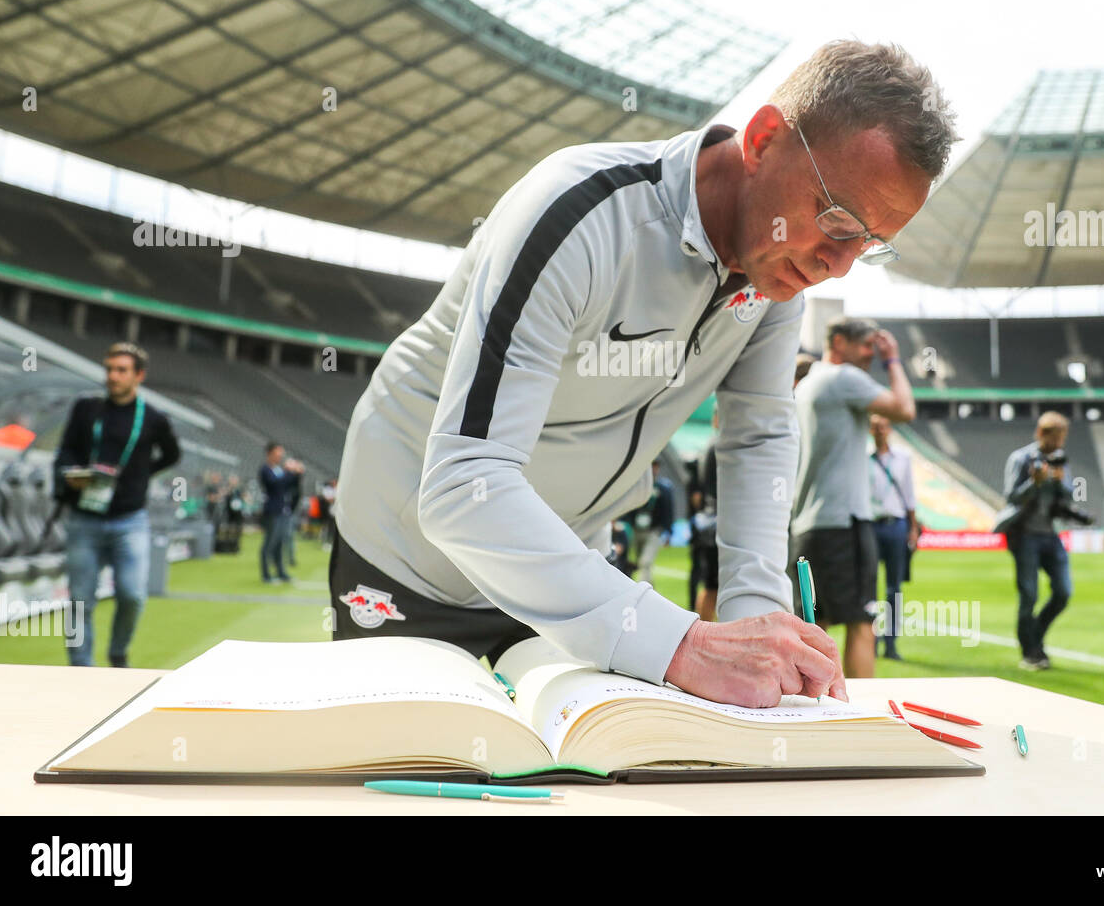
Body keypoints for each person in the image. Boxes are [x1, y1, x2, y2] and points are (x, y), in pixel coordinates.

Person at [331, 40, 955, 707]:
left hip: (572, 568)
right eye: (836, 220)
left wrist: (759, 628)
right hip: (408, 556)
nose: (839, 265)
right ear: (764, 138)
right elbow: (463, 485)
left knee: (595, 776)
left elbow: (758, 440)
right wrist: (685, 644)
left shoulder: (776, 282)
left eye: (870, 243)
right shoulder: (577, 214)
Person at [788, 318, 916, 680]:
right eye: (866, 347)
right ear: (840, 342)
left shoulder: (808, 383)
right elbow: (904, 409)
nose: (870, 357)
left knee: (816, 624)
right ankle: (860, 715)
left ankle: (815, 713)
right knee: (861, 622)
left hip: (807, 526)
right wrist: (893, 361)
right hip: (844, 522)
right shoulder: (843, 378)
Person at [53, 342, 180, 667]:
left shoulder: (153, 418)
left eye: (121, 370)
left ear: (139, 375)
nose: (113, 376)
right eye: (109, 369)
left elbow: (172, 454)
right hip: (84, 518)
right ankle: (81, 667)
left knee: (132, 594)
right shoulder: (86, 408)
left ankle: (118, 651)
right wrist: (71, 474)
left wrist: (140, 474)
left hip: (130, 519)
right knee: (80, 600)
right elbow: (65, 451)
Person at [999, 412, 1085, 670]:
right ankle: (1030, 652)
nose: (1059, 443)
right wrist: (1033, 484)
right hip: (1024, 535)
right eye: (1055, 437)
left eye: (1062, 438)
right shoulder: (1021, 458)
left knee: (1063, 592)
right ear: (1041, 434)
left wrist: (1061, 483)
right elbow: (1011, 497)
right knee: (1029, 595)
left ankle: (1035, 634)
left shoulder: (1060, 461)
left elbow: (1070, 496)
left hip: (1050, 533)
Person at [869, 414, 919, 660]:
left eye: (883, 426)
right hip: (869, 525)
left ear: (889, 429)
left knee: (893, 588)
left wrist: (913, 527)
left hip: (896, 525)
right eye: (875, 427)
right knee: (868, 587)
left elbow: (909, 494)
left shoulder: (903, 458)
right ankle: (870, 640)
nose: (879, 431)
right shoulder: (862, 458)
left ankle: (890, 643)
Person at [687, 405, 721, 621]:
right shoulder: (718, 445)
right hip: (717, 523)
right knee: (712, 586)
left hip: (710, 522)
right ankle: (705, 631)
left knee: (712, 585)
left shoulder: (710, 445)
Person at [258, 443, 302, 584]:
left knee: (280, 543)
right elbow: (276, 485)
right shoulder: (265, 470)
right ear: (270, 453)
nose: (281, 456)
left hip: (284, 511)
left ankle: (281, 572)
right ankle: (266, 575)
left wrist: (297, 473)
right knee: (270, 543)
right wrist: (289, 472)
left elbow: (291, 485)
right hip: (273, 511)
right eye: (278, 453)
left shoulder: (279, 470)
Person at [628, 459, 674, 586]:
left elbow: (668, 510)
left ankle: (642, 591)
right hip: (638, 529)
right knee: (641, 562)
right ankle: (650, 591)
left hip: (654, 530)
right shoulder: (637, 486)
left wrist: (668, 532)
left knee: (645, 561)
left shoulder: (663, 488)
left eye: (656, 466)